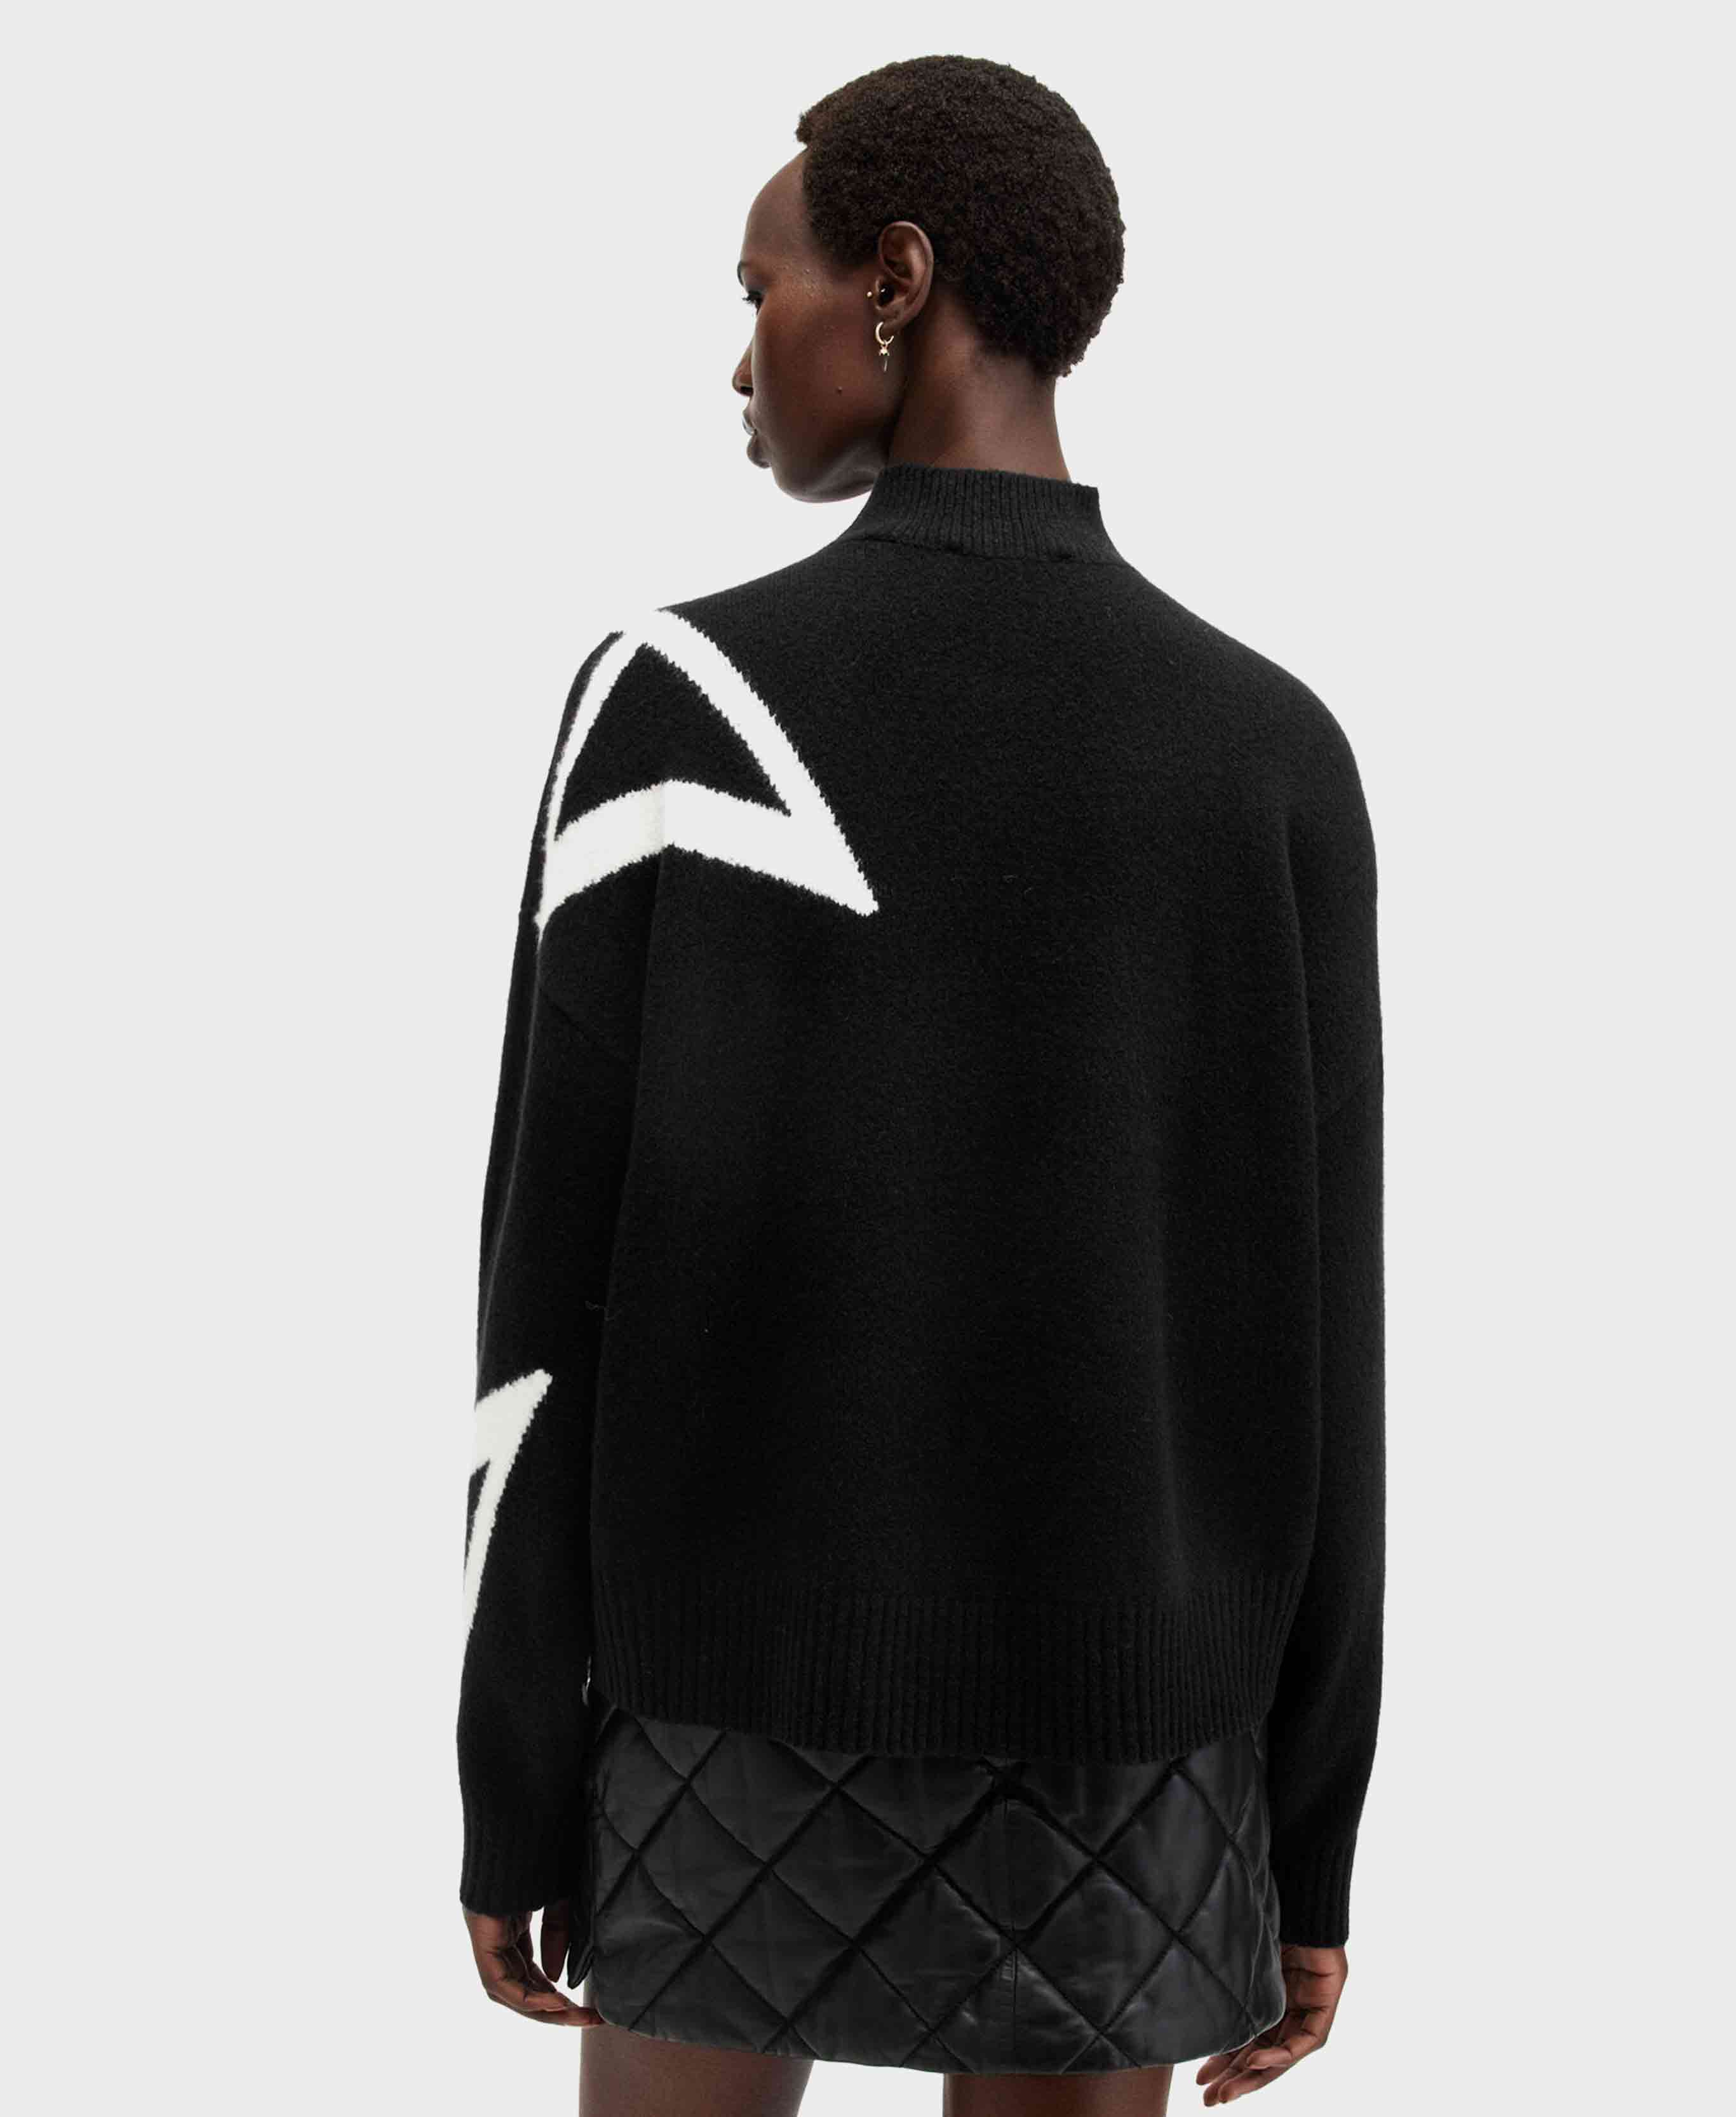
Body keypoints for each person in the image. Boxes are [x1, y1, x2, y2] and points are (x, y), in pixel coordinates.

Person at [455, 53, 1385, 2117]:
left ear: (895, 279)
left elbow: (541, 1302)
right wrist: (1304, 1839)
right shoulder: (1271, 753)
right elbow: (1322, 1353)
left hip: (711, 1731)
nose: (739, 359)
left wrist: (514, 1776)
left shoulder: (674, 709)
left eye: (757, 287)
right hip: (1134, 1762)